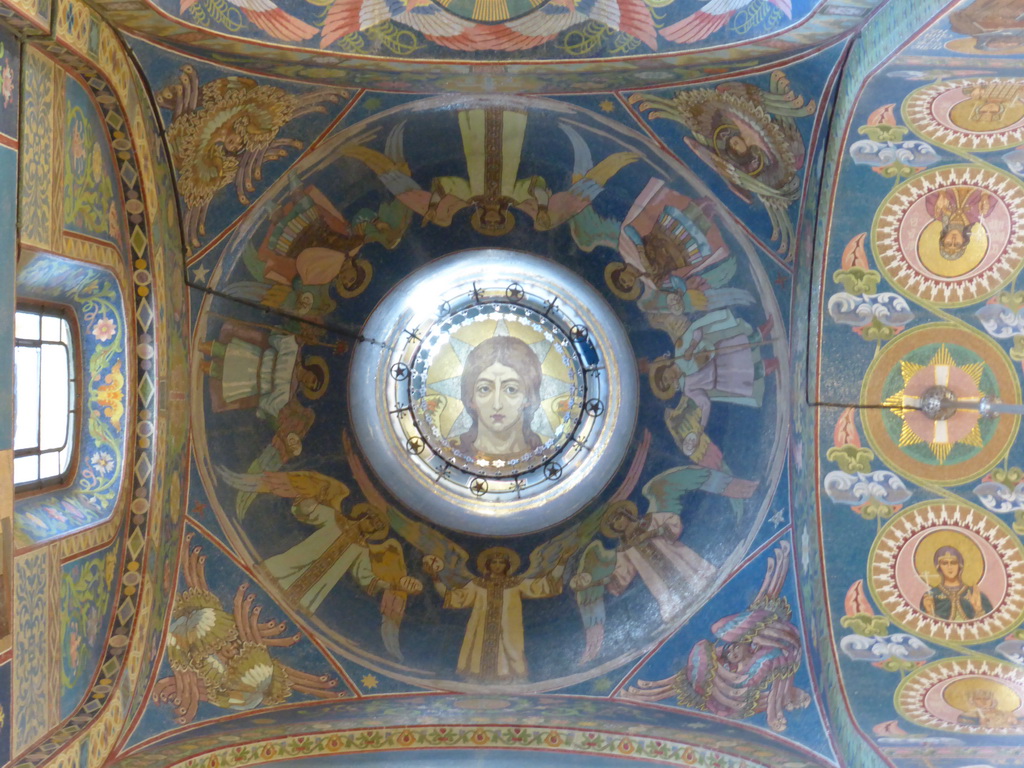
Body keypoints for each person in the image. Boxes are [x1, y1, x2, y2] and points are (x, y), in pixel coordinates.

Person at [423, 547, 568, 682]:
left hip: (509, 629)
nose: (497, 565)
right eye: (494, 562)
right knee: (477, 648)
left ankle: (511, 678)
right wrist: (435, 577)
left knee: (510, 649)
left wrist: (561, 562)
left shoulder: (516, 583)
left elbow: (545, 584)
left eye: (501, 562)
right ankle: (477, 679)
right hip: (481, 629)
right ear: (487, 565)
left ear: (507, 566)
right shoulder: (477, 584)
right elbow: (451, 596)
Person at [602, 500, 714, 622]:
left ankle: (698, 583)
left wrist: (653, 533)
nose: (617, 524)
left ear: (626, 514)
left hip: (675, 557)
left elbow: (673, 521)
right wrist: (611, 581)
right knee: (668, 595)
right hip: (656, 575)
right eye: (613, 524)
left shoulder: (649, 521)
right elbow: (623, 570)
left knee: (693, 577)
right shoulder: (624, 547)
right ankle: (676, 605)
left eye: (618, 518)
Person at [454, 336, 543, 461]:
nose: (497, 405)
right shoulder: (453, 458)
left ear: (529, 397)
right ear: (471, 398)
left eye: (511, 389)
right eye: (484, 389)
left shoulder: (545, 459)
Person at [919, 545, 993, 621]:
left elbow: (990, 625)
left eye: (953, 563)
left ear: (960, 565)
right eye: (944, 563)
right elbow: (925, 627)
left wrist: (979, 610)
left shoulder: (974, 593)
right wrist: (929, 612)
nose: (949, 567)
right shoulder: (932, 595)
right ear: (939, 567)